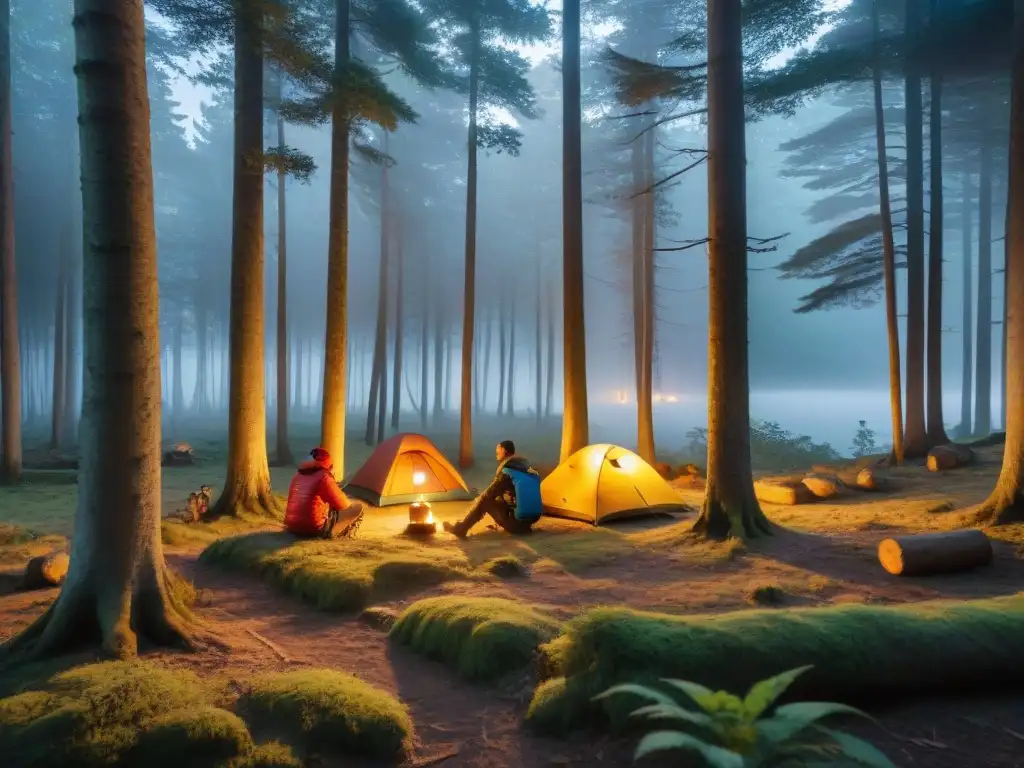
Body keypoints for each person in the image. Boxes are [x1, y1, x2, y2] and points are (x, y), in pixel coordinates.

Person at [443, 440, 542, 538]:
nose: (496, 454)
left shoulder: (507, 472)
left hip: (516, 524)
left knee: (484, 500)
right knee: (497, 498)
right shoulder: (525, 469)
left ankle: (461, 529)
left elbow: (489, 494)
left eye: (497, 450)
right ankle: (509, 524)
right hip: (528, 523)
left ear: (503, 450)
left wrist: (479, 498)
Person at [284, 448, 364, 539]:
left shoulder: (297, 475)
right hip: (312, 527)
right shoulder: (324, 477)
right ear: (328, 463)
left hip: (292, 525)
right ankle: (339, 535)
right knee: (358, 508)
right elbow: (343, 504)